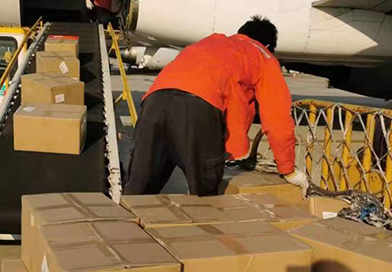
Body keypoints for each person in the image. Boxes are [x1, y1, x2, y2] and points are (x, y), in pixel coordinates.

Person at [124, 15, 308, 197]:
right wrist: (288, 169)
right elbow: (277, 119)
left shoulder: (209, 42)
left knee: (138, 190)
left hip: (154, 102)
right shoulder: (263, 57)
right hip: (198, 107)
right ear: (268, 45)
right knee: (206, 195)